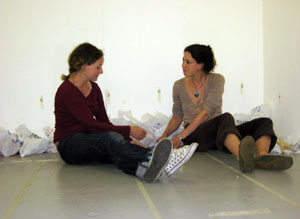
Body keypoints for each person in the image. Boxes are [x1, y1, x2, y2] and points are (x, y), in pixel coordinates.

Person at [54, 42, 197, 183]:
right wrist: (128, 130)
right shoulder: (67, 91)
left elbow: (103, 122)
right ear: (84, 65)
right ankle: (159, 157)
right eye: (98, 67)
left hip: (89, 140)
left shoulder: (95, 89)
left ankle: (143, 170)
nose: (101, 71)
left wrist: (129, 141)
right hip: (69, 145)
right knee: (109, 139)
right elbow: (91, 125)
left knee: (117, 150)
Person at [158, 44, 293, 173]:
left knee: (264, 122)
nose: (183, 65)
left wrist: (179, 137)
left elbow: (206, 113)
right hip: (195, 135)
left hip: (220, 132)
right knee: (225, 119)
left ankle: (262, 157)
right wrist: (166, 135)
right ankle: (242, 157)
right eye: (183, 61)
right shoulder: (178, 85)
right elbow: (177, 117)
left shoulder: (217, 80)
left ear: (200, 65)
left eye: (188, 62)